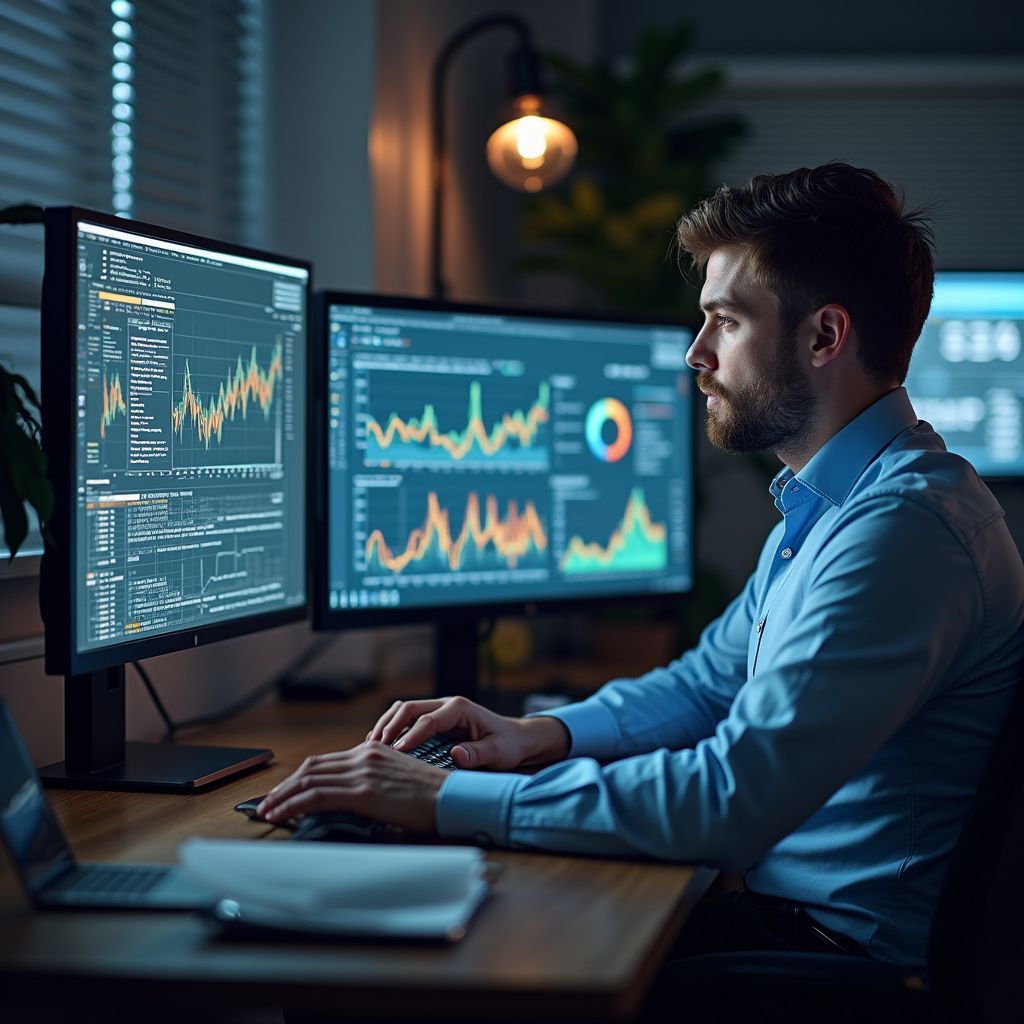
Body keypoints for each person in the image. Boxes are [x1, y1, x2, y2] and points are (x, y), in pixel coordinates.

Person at [259, 163, 1024, 975]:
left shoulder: (903, 532)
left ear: (824, 336)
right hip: (784, 929)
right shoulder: (836, 506)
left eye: (724, 322)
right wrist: (537, 734)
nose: (696, 354)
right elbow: (705, 686)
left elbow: (731, 801)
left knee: (407, 975)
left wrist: (445, 797)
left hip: (835, 973)